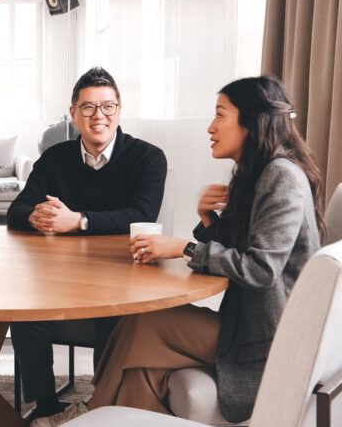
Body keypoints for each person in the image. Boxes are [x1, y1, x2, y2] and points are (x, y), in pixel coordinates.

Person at [88, 76, 324, 423]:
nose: (211, 127)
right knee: (142, 370)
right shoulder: (258, 173)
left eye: (220, 115)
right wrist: (208, 218)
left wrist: (183, 248)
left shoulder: (281, 176)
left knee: (144, 324)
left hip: (270, 342)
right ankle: (101, 413)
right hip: (250, 328)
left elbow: (260, 269)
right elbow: (244, 250)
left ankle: (92, 411)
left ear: (251, 122)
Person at [7, 67, 167, 425]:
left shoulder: (148, 157)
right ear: (74, 114)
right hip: (60, 277)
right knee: (24, 311)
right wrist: (37, 216)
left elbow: (141, 215)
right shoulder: (54, 158)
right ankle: (46, 408)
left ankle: (102, 405)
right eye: (89, 107)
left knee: (115, 313)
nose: (99, 116)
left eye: (108, 106)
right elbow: (17, 210)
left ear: (119, 111)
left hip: (119, 274)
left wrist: (78, 221)